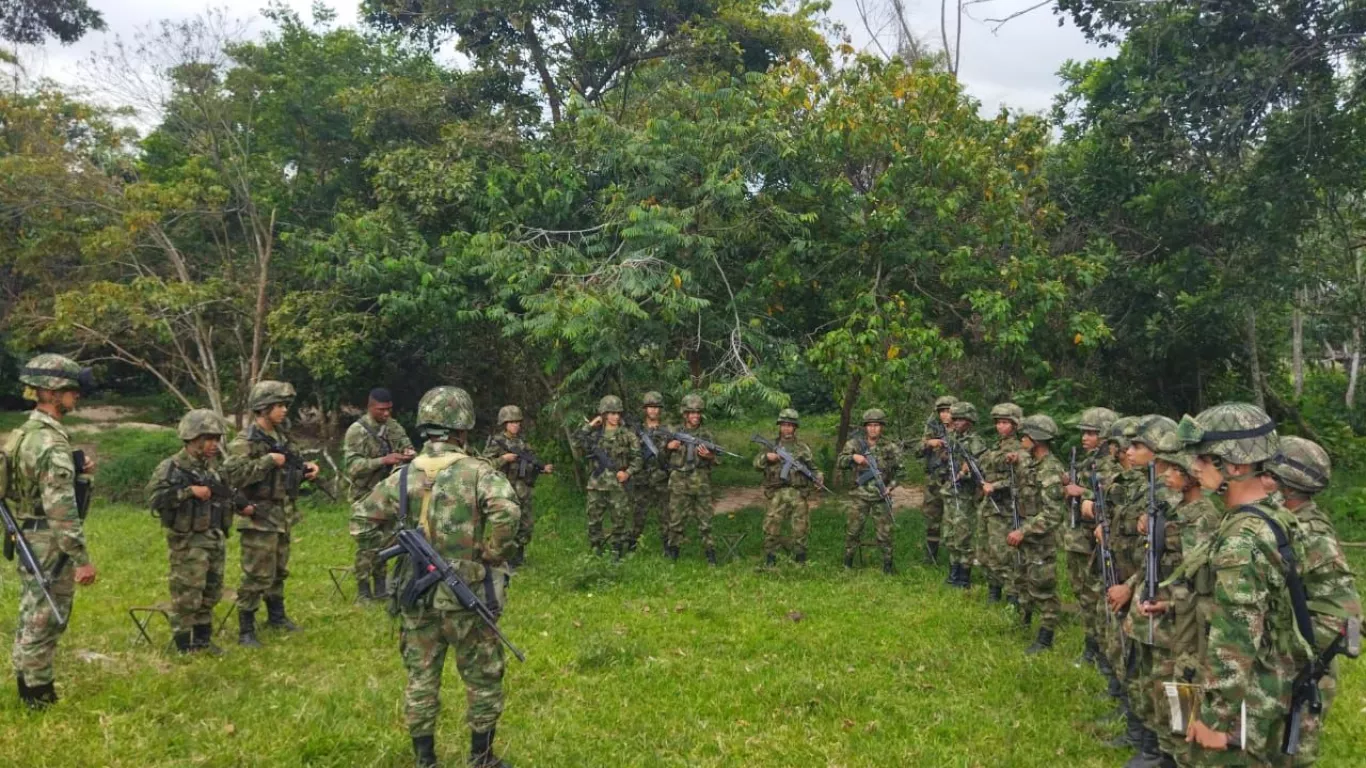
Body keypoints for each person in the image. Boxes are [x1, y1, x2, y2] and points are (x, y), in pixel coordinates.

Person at [356, 386, 521, 768]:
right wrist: (491, 552)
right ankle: (482, 757)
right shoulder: (478, 472)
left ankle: (424, 759)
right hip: (466, 596)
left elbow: (361, 521)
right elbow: (507, 514)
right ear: (462, 427)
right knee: (482, 677)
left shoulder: (402, 476)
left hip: (416, 598)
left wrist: (399, 547)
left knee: (421, 680)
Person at [1179, 403, 1314, 764]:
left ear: (1234, 465)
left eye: (1204, 459)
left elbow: (1236, 636)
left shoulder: (1244, 537)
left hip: (1247, 696)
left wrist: (1214, 717)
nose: (1194, 467)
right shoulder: (1269, 514)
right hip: (1266, 680)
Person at [1105, 416, 1217, 767]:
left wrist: (1168, 601)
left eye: (1172, 470)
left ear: (1188, 476)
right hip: (1159, 614)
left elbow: (1201, 581)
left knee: (1179, 691)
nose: (1165, 476)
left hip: (1181, 624)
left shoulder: (1201, 518)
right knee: (1153, 685)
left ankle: (1177, 755)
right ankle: (1155, 748)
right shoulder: (1175, 509)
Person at [6, 354, 97, 708]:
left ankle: (25, 680)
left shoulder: (26, 433)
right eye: (71, 391)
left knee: (33, 610)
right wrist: (81, 558)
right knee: (46, 617)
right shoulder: (50, 442)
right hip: (49, 540)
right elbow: (61, 509)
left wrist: (78, 467)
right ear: (52, 392)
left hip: (30, 532)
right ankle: (38, 694)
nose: (76, 397)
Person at [1265, 437, 1362, 767]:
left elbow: (1344, 610)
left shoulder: (1308, 530)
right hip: (1301, 656)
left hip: (1308, 665)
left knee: (1293, 754)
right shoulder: (1290, 523)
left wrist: (1291, 658)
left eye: (1268, 476)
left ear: (1285, 487)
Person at [146, 409, 252, 654]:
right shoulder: (172, 467)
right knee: (188, 593)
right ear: (192, 438)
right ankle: (183, 644)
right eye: (208, 439)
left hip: (213, 537)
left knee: (211, 590)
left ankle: (203, 641)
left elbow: (225, 494)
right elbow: (153, 498)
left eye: (216, 438)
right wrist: (188, 492)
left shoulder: (211, 469)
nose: (214, 444)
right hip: (188, 541)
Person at [223, 380, 319, 647]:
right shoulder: (246, 441)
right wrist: (268, 461)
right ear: (263, 408)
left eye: (285, 405)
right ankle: (246, 628)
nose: (284, 410)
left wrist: (306, 471)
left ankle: (276, 616)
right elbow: (233, 475)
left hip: (282, 513)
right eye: (278, 405)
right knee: (257, 573)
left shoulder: (281, 438)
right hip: (257, 515)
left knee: (278, 569)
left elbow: (286, 473)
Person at [1061, 406, 1119, 667]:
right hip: (1077, 538)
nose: (1085, 437)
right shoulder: (1089, 461)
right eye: (1083, 432)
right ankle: (1092, 644)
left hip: (1093, 541)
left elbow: (1112, 499)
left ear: (1105, 436)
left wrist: (1079, 491)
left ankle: (1100, 649)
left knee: (1095, 596)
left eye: (1092, 433)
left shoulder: (1109, 466)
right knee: (1082, 592)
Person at [344, 388, 414, 600]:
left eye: (389, 409)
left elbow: (406, 444)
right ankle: (364, 590)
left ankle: (381, 587)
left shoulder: (393, 427)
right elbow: (352, 466)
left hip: (388, 496)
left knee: (385, 541)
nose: (386, 414)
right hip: (364, 496)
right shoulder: (357, 431)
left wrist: (409, 453)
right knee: (367, 544)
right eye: (382, 410)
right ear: (371, 407)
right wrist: (382, 461)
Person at [1006, 414, 1066, 654]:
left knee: (1043, 587)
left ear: (1036, 439)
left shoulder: (1050, 470)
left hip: (1041, 538)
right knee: (1022, 579)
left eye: (1025, 436)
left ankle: (1045, 637)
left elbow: (1052, 514)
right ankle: (1023, 623)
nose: (1021, 439)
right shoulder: (1031, 461)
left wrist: (1023, 531)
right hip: (1026, 534)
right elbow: (1017, 457)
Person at [482, 405, 552, 566]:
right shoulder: (497, 442)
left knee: (525, 524)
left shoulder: (522, 443)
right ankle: (501, 555)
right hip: (504, 489)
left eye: (517, 422)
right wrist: (503, 459)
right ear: (504, 423)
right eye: (511, 422)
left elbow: (530, 463)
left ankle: (517, 555)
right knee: (507, 524)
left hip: (523, 489)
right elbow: (485, 465)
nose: (515, 425)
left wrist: (542, 469)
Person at [573, 396, 642, 558]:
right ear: (603, 414)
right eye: (611, 413)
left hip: (618, 485)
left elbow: (638, 458)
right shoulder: (595, 434)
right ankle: (596, 548)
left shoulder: (628, 435)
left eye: (618, 413)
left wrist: (628, 473)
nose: (615, 417)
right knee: (594, 519)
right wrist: (589, 426)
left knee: (619, 518)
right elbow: (576, 443)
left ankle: (616, 550)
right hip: (596, 484)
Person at [838, 408, 903, 574]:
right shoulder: (855, 444)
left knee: (885, 534)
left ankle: (888, 566)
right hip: (859, 496)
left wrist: (890, 487)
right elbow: (841, 461)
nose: (873, 429)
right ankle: (847, 564)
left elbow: (901, 471)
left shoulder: (890, 447)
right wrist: (854, 457)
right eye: (870, 425)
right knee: (853, 531)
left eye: (877, 425)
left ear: (882, 427)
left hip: (881, 497)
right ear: (865, 427)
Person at [755, 408, 821, 565]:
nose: (787, 428)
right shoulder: (771, 446)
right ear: (779, 426)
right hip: (776, 492)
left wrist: (819, 476)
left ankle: (800, 558)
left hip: (798, 493)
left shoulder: (802, 448)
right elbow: (756, 464)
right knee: (771, 526)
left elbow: (813, 468)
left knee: (801, 527)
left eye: (790, 425)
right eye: (784, 425)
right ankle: (770, 557)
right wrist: (766, 457)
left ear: (795, 427)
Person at [664, 394, 721, 564]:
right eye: (692, 412)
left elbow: (718, 460)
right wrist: (668, 447)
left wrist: (709, 456)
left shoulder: (706, 435)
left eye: (698, 412)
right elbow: (660, 456)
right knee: (676, 519)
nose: (695, 416)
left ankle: (710, 554)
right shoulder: (674, 432)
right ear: (685, 414)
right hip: (679, 481)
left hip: (701, 482)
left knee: (705, 520)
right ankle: (673, 552)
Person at [977, 403, 1025, 603]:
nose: (1000, 427)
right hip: (988, 506)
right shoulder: (995, 446)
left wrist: (995, 486)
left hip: (1004, 508)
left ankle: (1013, 595)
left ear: (1014, 425)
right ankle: (994, 590)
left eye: (1005, 423)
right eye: (998, 423)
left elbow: (1020, 479)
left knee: (1003, 554)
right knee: (986, 551)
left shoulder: (1019, 450)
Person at [942, 401, 986, 588]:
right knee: (950, 535)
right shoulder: (951, 438)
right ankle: (953, 572)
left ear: (969, 421)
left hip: (965, 494)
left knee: (963, 535)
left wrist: (966, 471)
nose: (957, 422)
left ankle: (964, 575)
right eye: (955, 419)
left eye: (961, 419)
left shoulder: (975, 442)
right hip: (951, 493)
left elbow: (982, 467)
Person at [629, 391, 672, 554]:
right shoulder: (635, 431)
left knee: (665, 515)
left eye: (656, 407)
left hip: (661, 478)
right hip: (641, 479)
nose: (653, 411)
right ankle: (632, 545)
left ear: (660, 410)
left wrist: (670, 448)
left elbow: (673, 457)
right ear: (645, 409)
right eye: (650, 407)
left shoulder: (668, 431)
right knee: (638, 515)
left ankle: (668, 548)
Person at [917, 395, 957, 564]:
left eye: (948, 411)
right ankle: (930, 557)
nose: (945, 415)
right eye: (942, 411)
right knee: (932, 520)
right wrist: (928, 443)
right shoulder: (932, 430)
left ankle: (956, 560)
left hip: (954, 481)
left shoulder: (961, 431)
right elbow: (917, 451)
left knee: (954, 521)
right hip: (934, 482)